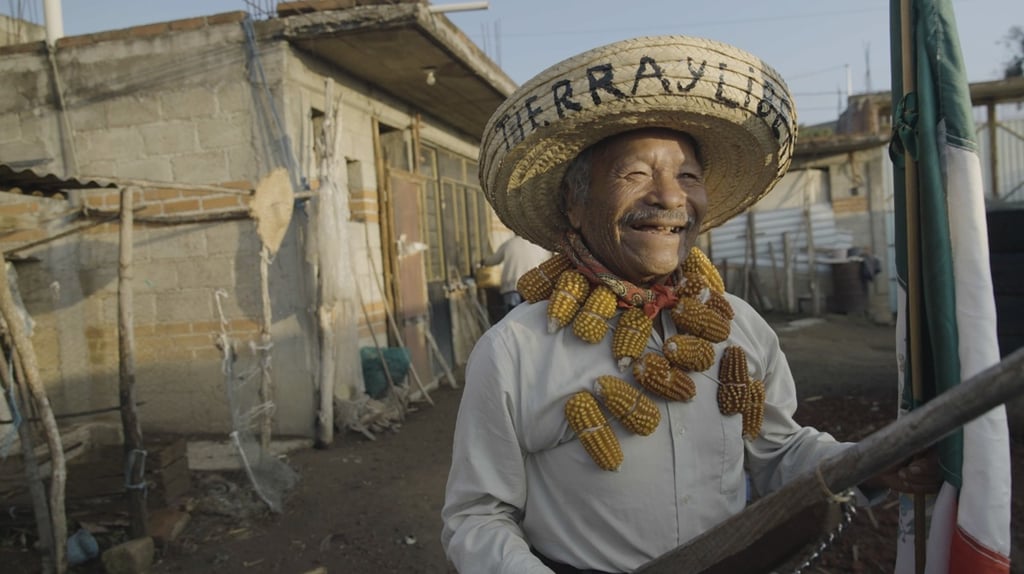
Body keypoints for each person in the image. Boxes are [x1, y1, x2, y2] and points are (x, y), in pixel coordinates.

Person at [442, 36, 936, 573]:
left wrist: (867, 463)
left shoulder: (740, 327)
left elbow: (778, 450)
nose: (670, 197)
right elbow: (477, 515)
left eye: (688, 177)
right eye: (635, 174)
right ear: (575, 204)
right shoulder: (515, 349)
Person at [480, 234, 552, 317]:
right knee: (529, 317)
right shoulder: (538, 245)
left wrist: (484, 261)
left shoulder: (509, 244)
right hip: (532, 286)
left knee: (513, 317)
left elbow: (494, 260)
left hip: (511, 286)